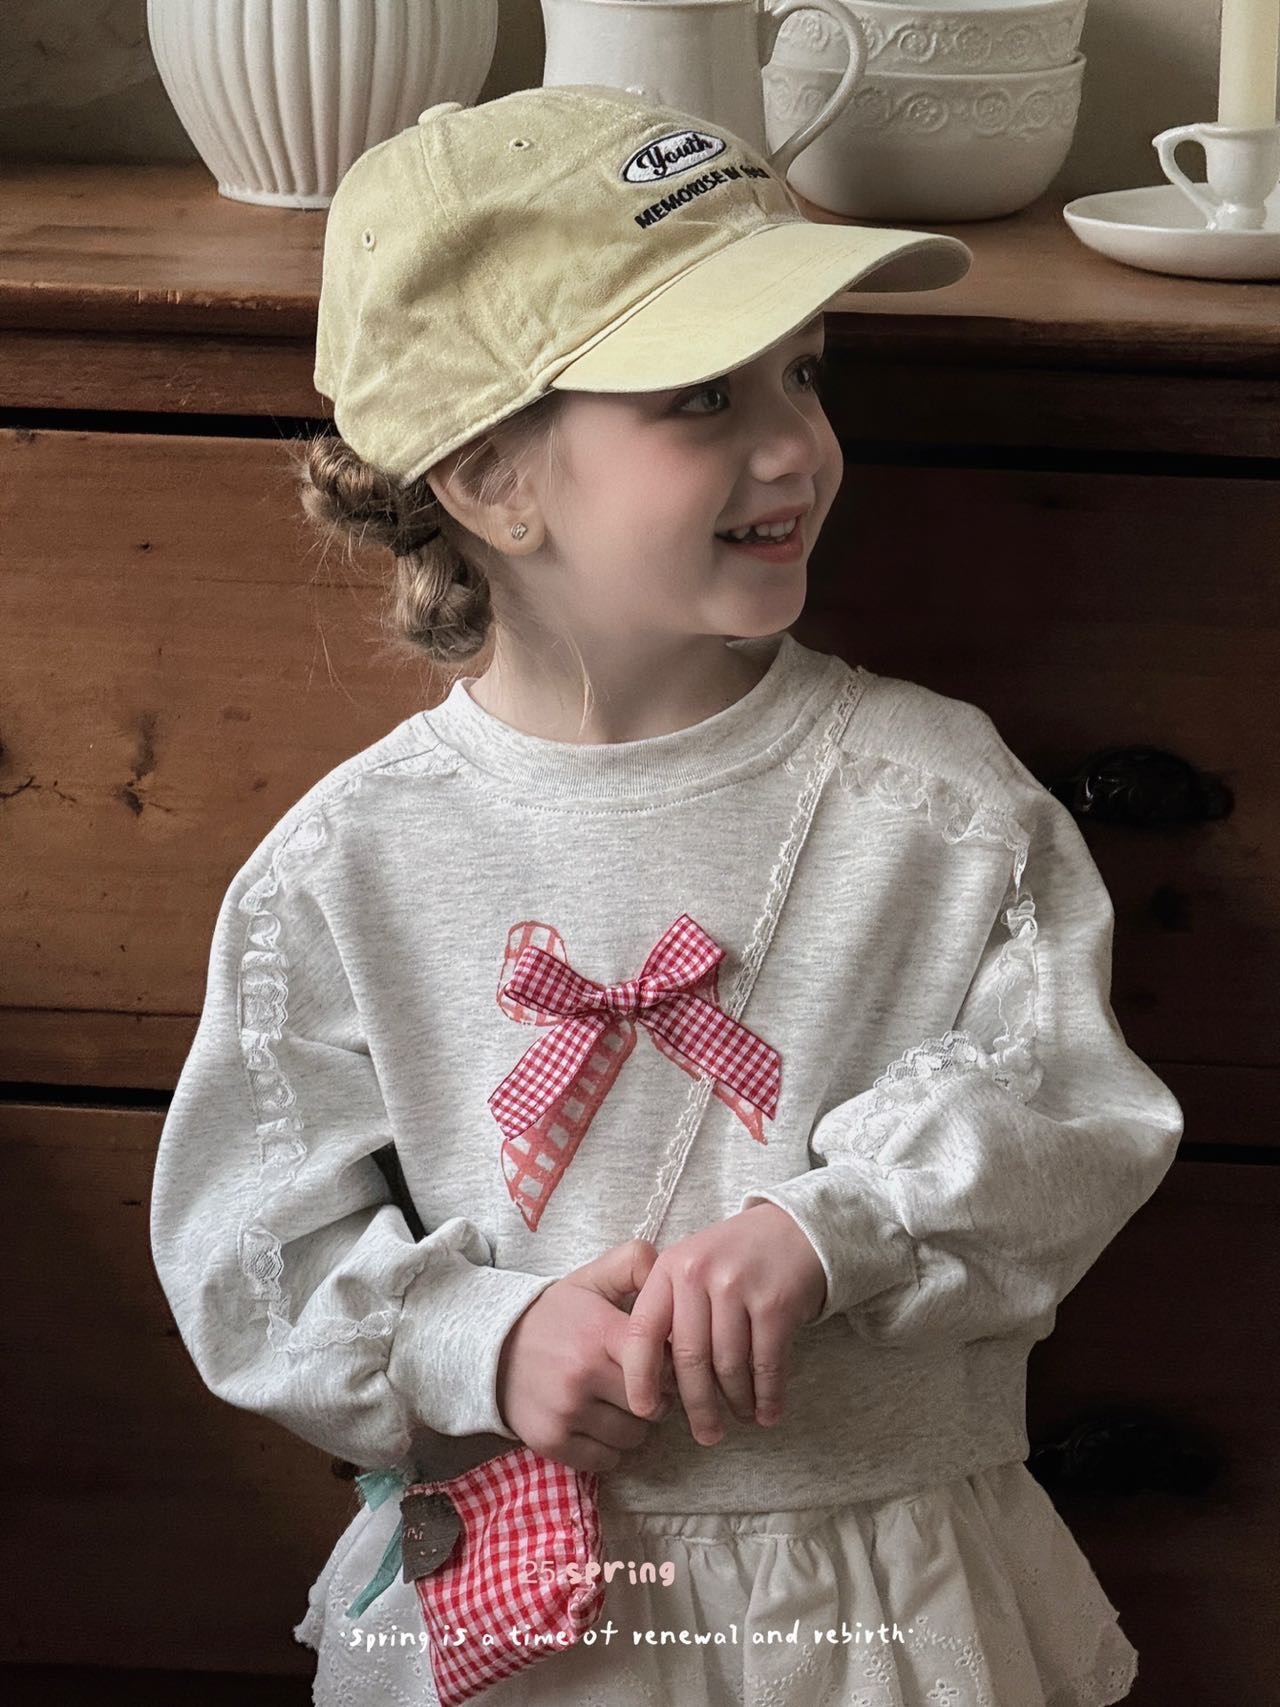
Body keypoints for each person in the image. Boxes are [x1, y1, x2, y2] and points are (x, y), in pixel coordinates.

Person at [149, 85, 1184, 1707]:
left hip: (877, 1595)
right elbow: (245, 1247)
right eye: (704, 393)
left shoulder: (933, 804)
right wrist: (481, 1339)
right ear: (493, 476)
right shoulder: (347, 869)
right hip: (526, 1588)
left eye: (805, 373)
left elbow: (1072, 1112)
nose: (796, 445)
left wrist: (834, 1230)